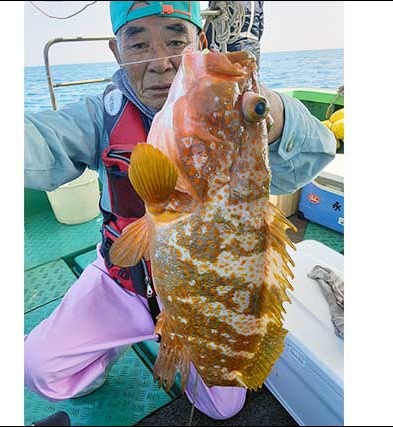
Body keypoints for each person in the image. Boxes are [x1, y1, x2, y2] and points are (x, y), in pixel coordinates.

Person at [24, 1, 336, 420]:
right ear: (117, 53)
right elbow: (39, 140)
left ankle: (176, 342)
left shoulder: (240, 135)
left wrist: (269, 114)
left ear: (199, 43)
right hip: (123, 284)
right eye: (139, 44)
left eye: (176, 39)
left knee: (224, 405)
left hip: (198, 300)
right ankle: (107, 346)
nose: (162, 62)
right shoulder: (101, 116)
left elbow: (318, 148)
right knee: (40, 371)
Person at [205, 1, 264, 67]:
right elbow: (260, 26)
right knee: (251, 74)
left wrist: (205, 48)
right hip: (254, 46)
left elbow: (214, 21)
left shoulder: (227, 3)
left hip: (235, 45)